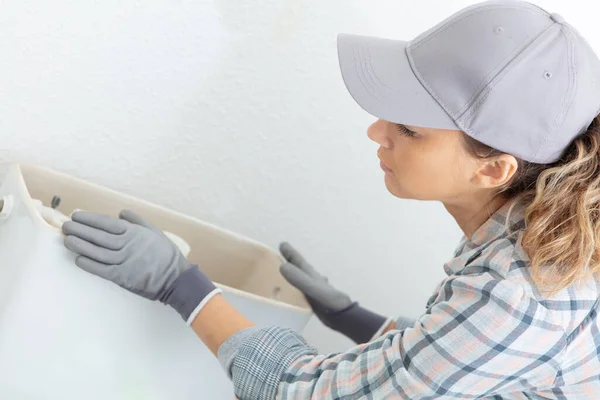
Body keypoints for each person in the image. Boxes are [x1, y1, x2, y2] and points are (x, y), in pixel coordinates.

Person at [61, 1, 600, 398]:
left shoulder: (523, 292)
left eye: (409, 129)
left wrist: (181, 286)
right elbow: (460, 363)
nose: (376, 132)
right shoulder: (529, 233)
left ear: (493, 168)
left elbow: (307, 395)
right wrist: (353, 317)